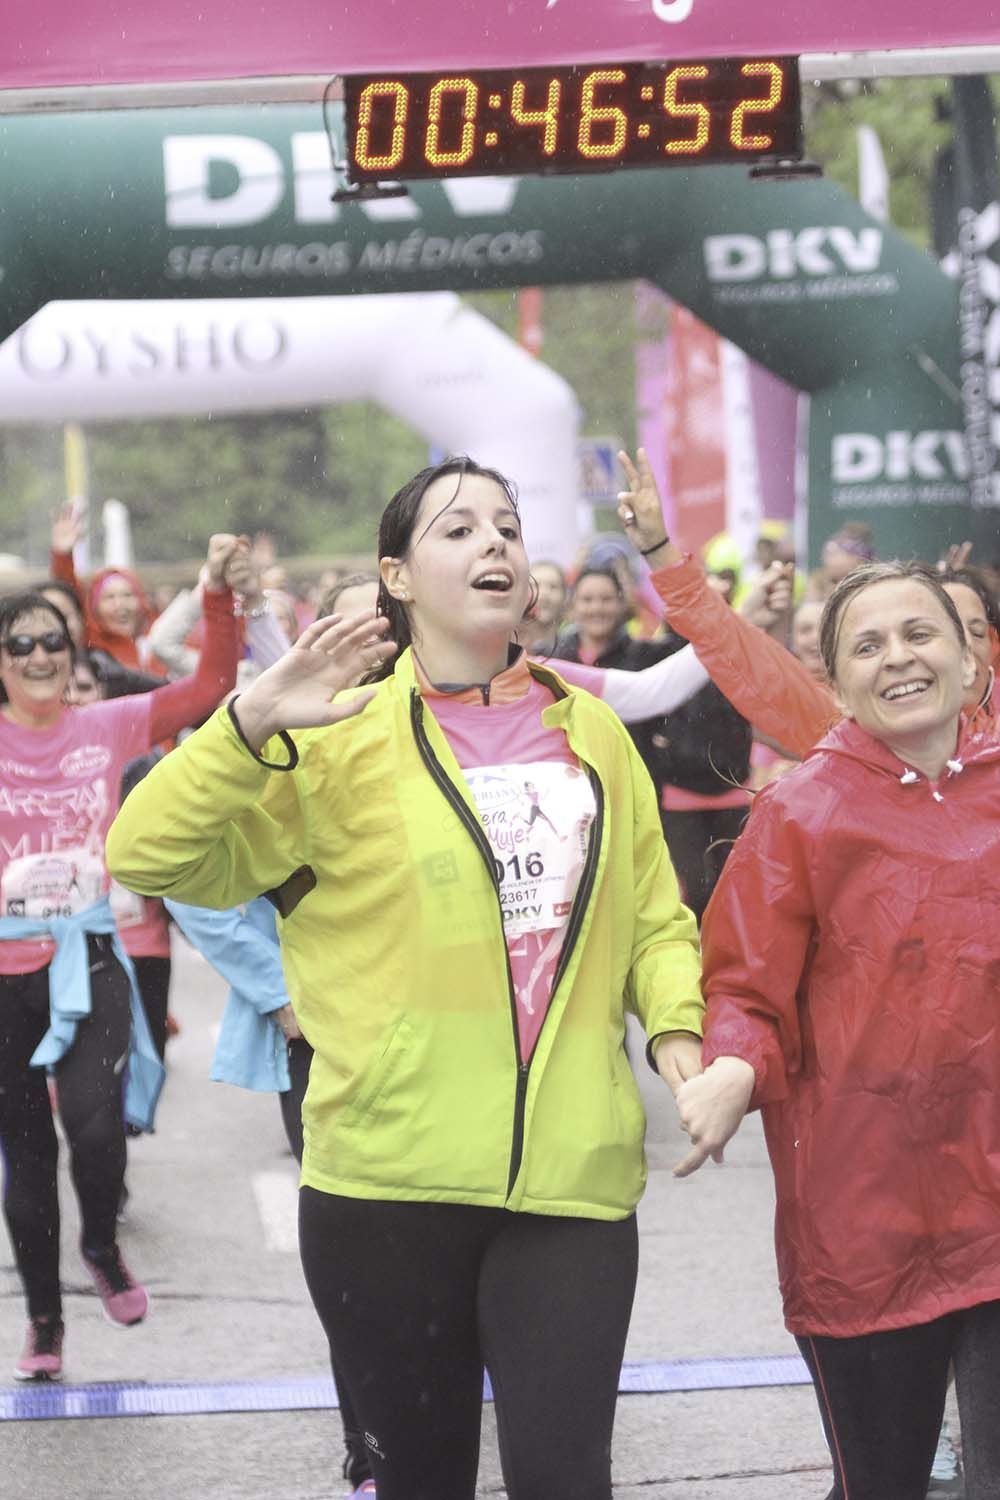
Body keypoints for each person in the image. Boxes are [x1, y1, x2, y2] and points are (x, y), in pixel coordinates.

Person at [106, 455, 704, 1500]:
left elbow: (654, 917)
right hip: (385, 1191)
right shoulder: (335, 740)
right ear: (395, 574)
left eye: (508, 528)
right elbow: (146, 855)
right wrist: (246, 726)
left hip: (572, 1183)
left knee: (567, 1481)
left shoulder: (593, 731)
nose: (495, 546)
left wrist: (678, 1042)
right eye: (459, 529)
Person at [672, 562, 1000, 1499]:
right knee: (883, 1485)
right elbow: (742, 986)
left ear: (969, 658)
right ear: (837, 682)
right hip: (865, 1221)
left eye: (920, 634)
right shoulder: (800, 814)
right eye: (868, 645)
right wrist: (733, 1065)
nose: (898, 657)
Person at [0, 535, 240, 1383]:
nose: (38, 655)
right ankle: (42, 1321)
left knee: (98, 1125)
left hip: (91, 954)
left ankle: (100, 1243)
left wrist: (216, 596)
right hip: (4, 981)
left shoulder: (105, 724)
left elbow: (211, 690)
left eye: (52, 643)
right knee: (25, 1157)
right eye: (19, 643)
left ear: (73, 658)